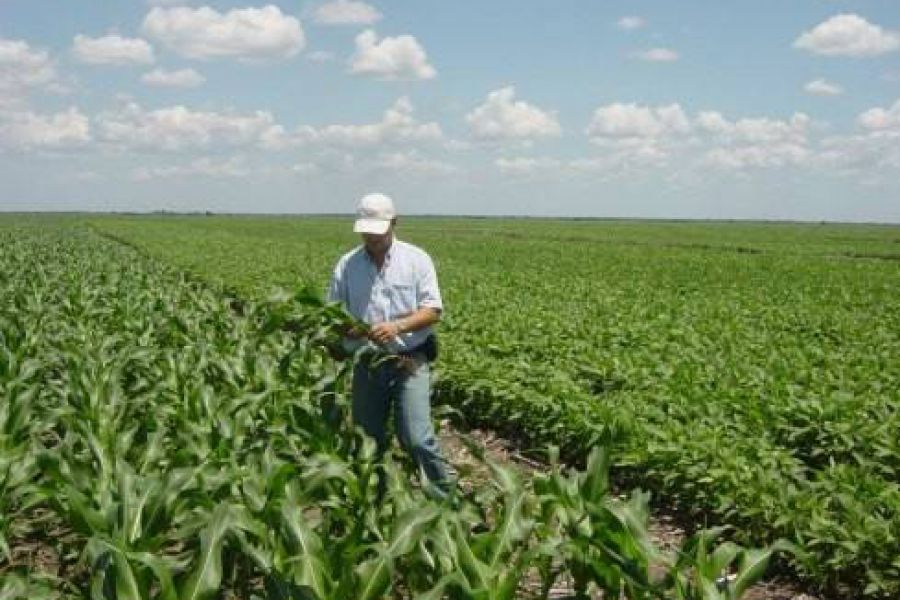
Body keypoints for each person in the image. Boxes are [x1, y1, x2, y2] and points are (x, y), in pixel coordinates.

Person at [327, 192, 452, 497]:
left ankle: (447, 501)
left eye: (377, 230)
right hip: (368, 363)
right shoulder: (347, 265)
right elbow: (331, 314)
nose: (371, 237)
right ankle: (375, 499)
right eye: (366, 230)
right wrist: (353, 329)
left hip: (409, 361)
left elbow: (432, 310)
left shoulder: (416, 259)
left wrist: (396, 326)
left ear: (394, 222)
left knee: (417, 437)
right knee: (367, 439)